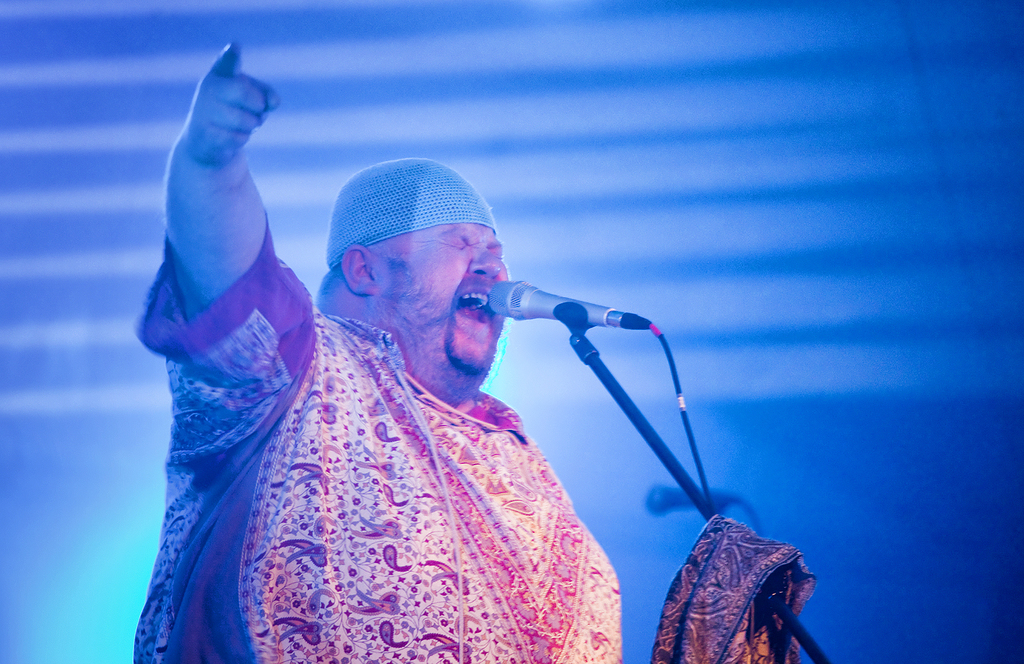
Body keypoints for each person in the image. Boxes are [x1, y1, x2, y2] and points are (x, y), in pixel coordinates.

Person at [134, 43, 622, 664]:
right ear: (366, 270)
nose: (493, 269)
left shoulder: (516, 452)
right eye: (461, 244)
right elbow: (232, 282)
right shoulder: (303, 373)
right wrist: (210, 166)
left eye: (496, 253)